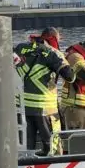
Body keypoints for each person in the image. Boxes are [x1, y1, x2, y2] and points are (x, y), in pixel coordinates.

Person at [14, 27, 75, 156]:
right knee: (52, 146)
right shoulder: (53, 53)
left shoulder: (20, 48)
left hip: (22, 106)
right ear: (52, 38)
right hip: (45, 108)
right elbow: (69, 77)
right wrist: (65, 60)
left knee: (26, 144)